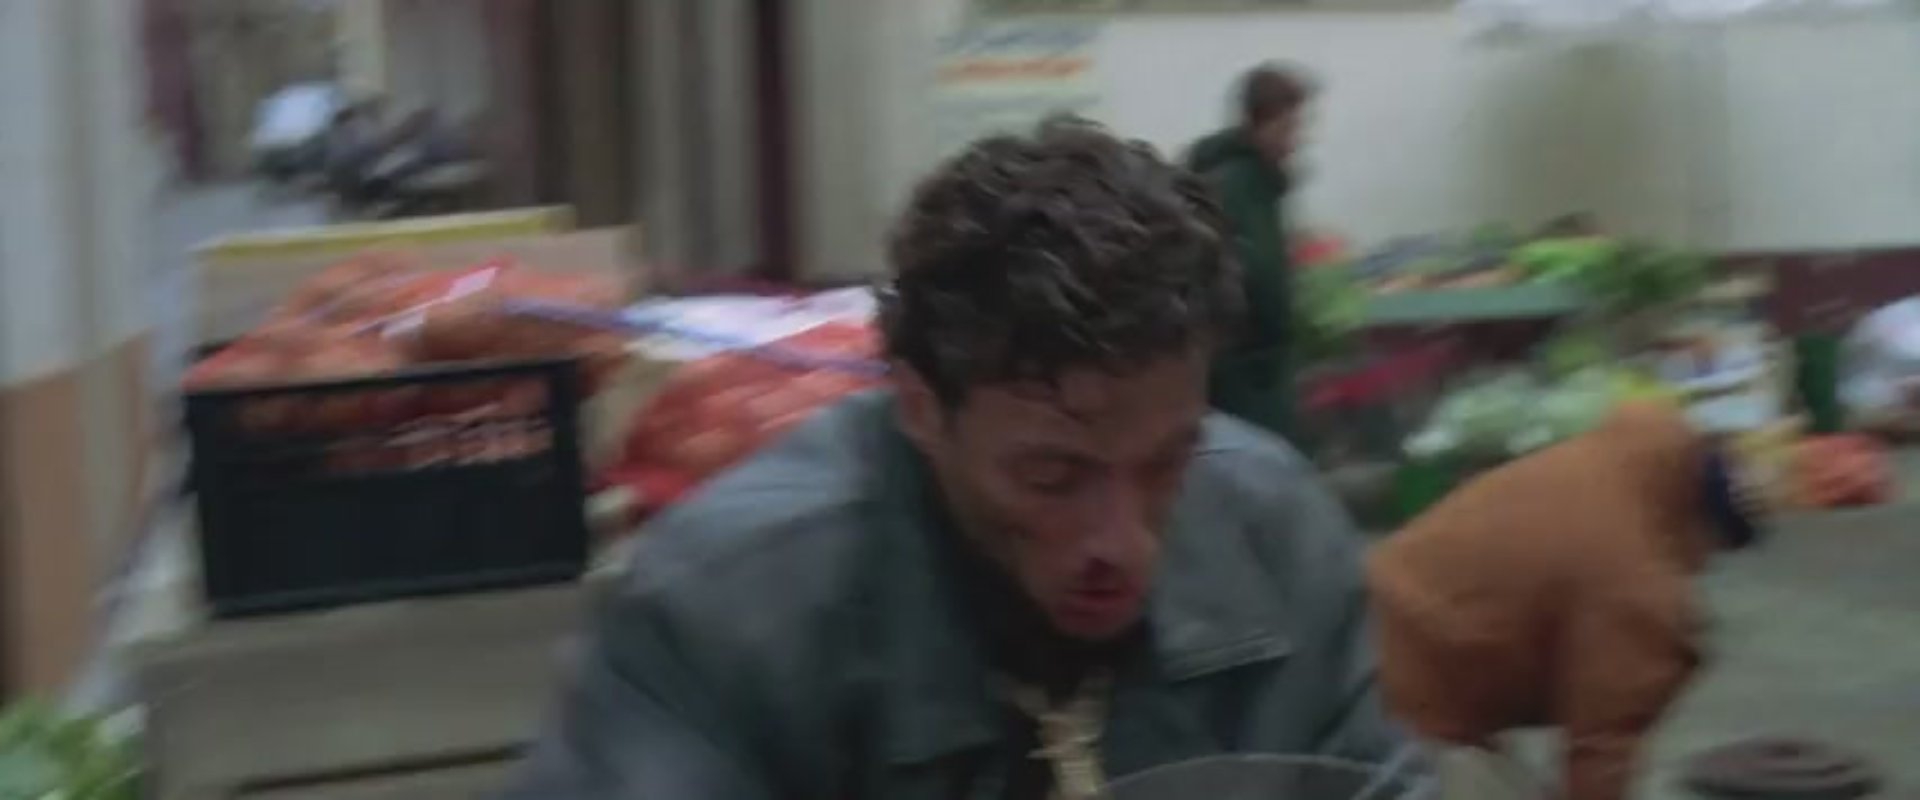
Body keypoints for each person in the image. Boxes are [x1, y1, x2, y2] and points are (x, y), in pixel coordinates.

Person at [505, 119, 1404, 799]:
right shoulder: (731, 606)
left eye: (1167, 464)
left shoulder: (1277, 536)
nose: (1121, 540)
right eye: (1052, 477)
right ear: (920, 406)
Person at [1366, 402, 1769, 800]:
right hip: (1401, 693)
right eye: (1714, 548)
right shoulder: (1634, 583)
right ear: (1702, 526)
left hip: (1366, 616)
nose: (1703, 563)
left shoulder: (1606, 460)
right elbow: (1603, 749)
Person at [1185, 63, 1314, 440]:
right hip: (1242, 380)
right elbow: (1239, 274)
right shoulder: (1233, 186)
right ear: (1260, 124)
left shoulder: (1263, 184)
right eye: (1288, 127)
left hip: (1264, 373)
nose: (1295, 140)